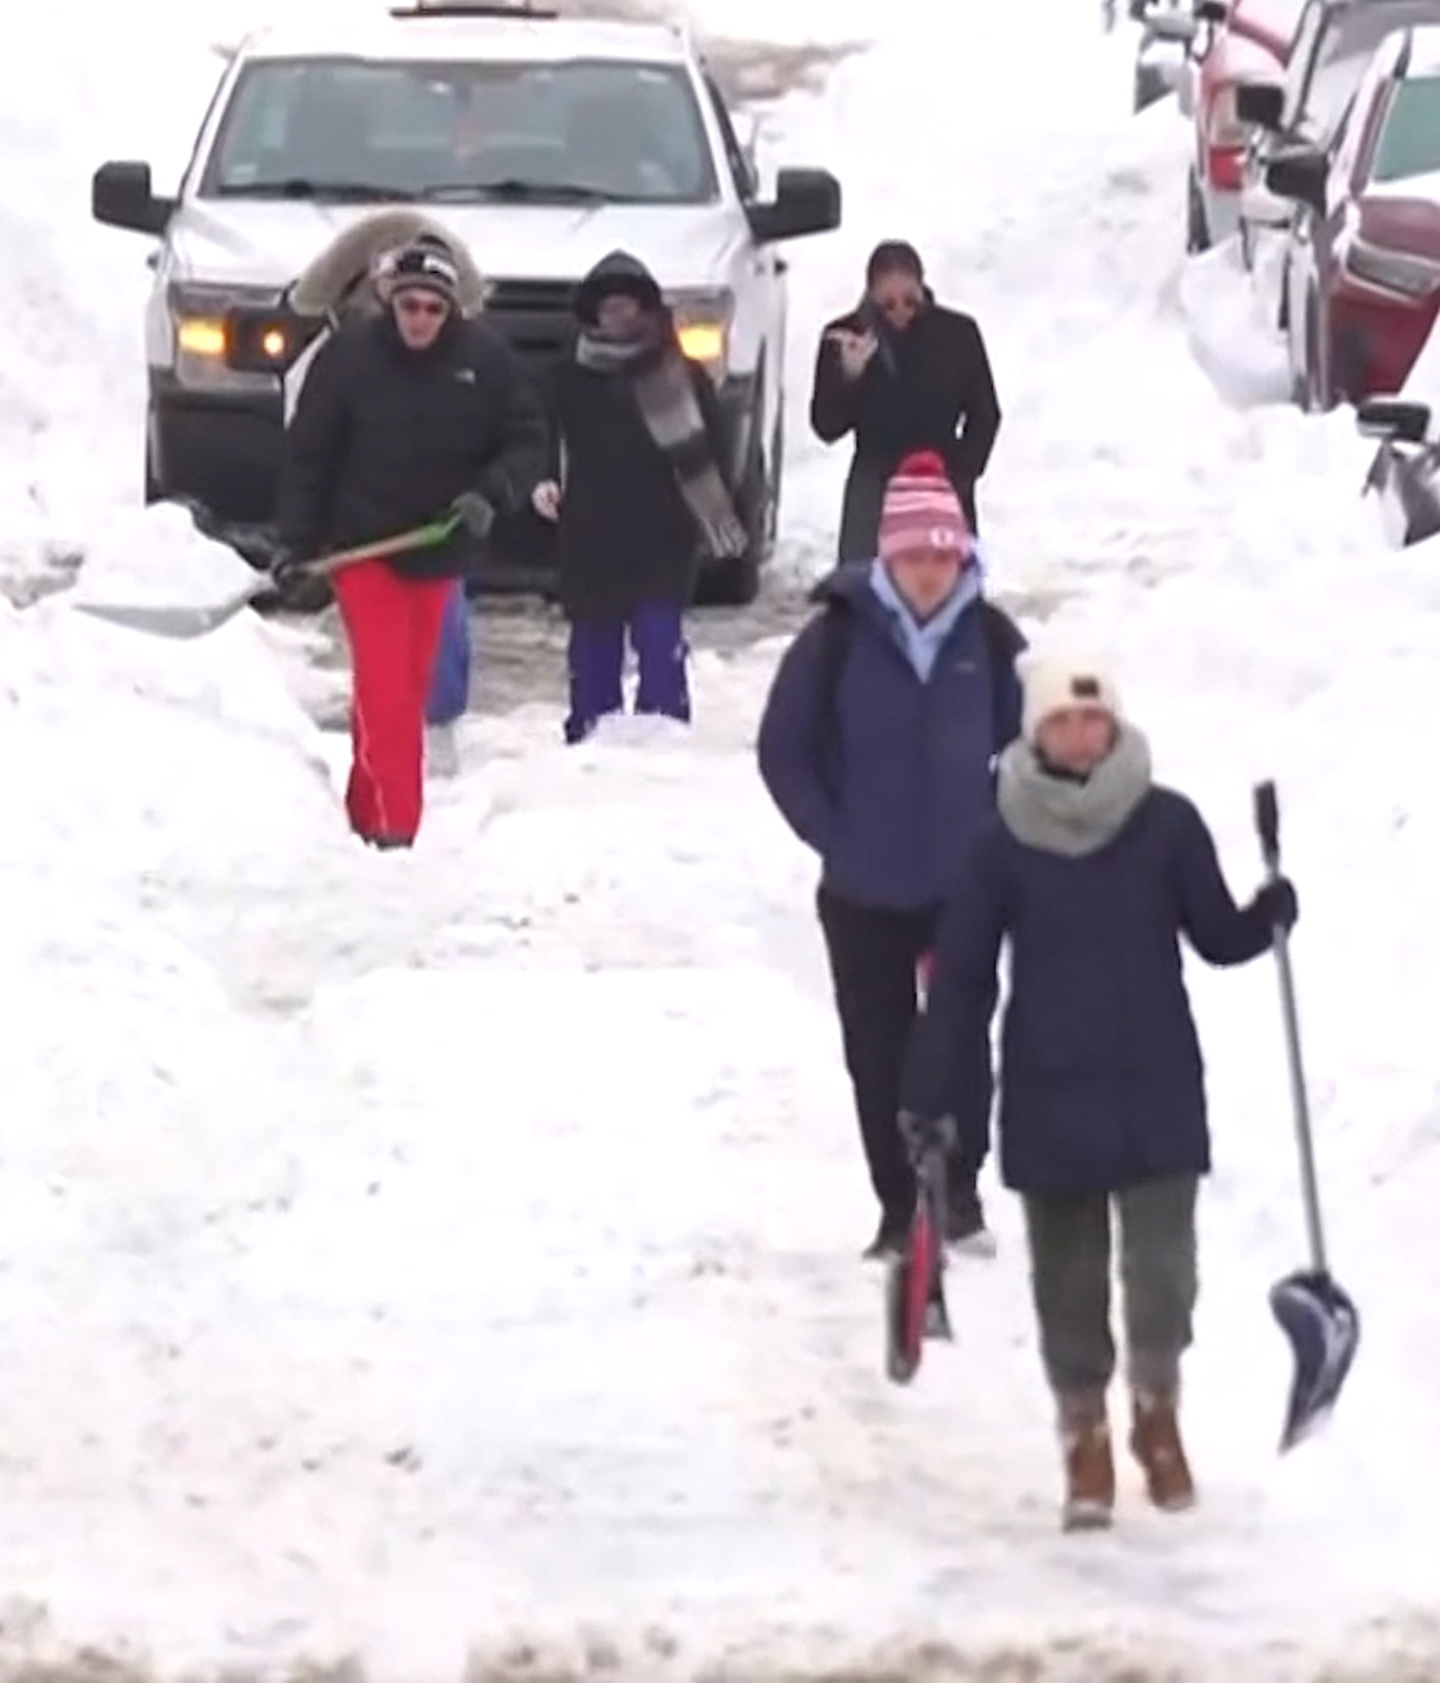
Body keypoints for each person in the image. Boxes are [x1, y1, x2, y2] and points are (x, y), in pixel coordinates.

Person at [901, 650, 1299, 1531]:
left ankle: (1156, 1412)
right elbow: (963, 977)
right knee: (1068, 1280)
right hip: (1050, 1081)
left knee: (1165, 1271)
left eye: (1094, 720)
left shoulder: (1165, 823)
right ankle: (1083, 1431)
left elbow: (1216, 934)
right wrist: (932, 1079)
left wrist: (1265, 915)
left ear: (1113, 725)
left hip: (1154, 1074)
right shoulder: (1000, 838)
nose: (1081, 735)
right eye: (1062, 722)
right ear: (1035, 733)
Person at [756, 451, 1026, 1258]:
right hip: (862, 890)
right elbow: (783, 749)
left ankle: (962, 1194)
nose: (931, 572)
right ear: (888, 557)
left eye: (944, 555)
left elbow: (1035, 746)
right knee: (879, 1053)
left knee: (960, 1039)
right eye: (915, 556)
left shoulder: (990, 636)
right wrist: (831, 831)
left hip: (961, 888)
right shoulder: (835, 638)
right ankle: (899, 1205)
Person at [275, 232, 544, 848]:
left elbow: (528, 439)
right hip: (364, 549)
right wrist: (295, 543)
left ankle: (365, 813)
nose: (419, 319)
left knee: (404, 689)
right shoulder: (347, 358)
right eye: (409, 305)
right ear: (389, 302)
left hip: (439, 548)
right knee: (386, 691)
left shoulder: (487, 362)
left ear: (450, 310)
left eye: (433, 308)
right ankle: (400, 832)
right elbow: (308, 456)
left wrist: (491, 491)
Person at [284, 206, 481, 772]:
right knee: (380, 647)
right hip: (361, 525)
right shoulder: (332, 365)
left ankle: (436, 724)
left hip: (433, 524)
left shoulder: (461, 366)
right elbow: (307, 450)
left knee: (441, 622)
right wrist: (305, 535)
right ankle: (385, 740)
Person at [531, 251, 746, 743]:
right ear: (593, 315)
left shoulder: (680, 373)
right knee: (594, 647)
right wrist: (543, 481)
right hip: (591, 535)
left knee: (658, 639)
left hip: (663, 535)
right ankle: (590, 735)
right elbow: (540, 437)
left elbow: (714, 448)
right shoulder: (567, 378)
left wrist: (709, 513)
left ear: (647, 311)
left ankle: (666, 736)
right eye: (610, 309)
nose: (620, 318)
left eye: (629, 308)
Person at [810, 240, 1000, 561]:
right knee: (866, 592)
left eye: (910, 302)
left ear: (923, 291)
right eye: (888, 304)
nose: (900, 312)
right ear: (871, 297)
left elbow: (985, 413)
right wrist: (849, 377)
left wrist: (962, 474)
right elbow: (826, 426)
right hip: (874, 480)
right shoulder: (845, 336)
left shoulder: (957, 334)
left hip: (941, 474)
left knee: (947, 588)